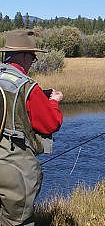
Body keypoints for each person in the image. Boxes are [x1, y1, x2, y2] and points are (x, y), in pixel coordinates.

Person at [0, 29, 63, 226]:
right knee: (17, 221)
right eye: (33, 57)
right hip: (13, 165)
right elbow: (50, 124)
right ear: (24, 56)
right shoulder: (28, 86)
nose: (32, 62)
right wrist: (53, 102)